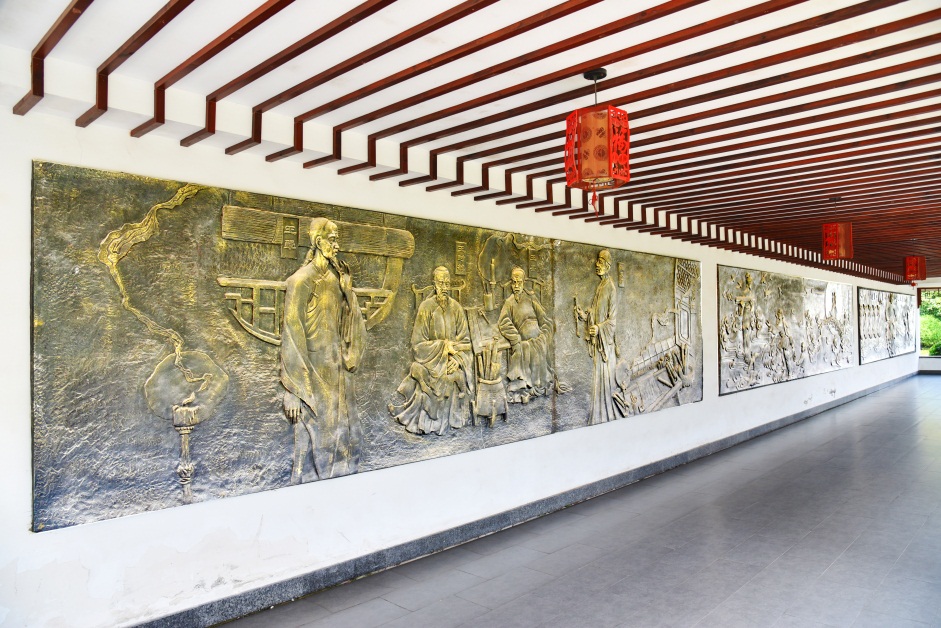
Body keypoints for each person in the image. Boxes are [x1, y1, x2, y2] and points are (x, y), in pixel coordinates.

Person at [280, 218, 366, 483]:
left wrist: (348, 293)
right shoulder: (300, 281)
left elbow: (352, 322)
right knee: (314, 436)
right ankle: (305, 483)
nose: (337, 245)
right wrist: (293, 390)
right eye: (333, 239)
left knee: (346, 435)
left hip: (337, 371)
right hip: (312, 373)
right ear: (319, 242)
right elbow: (291, 334)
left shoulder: (336, 280)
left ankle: (340, 482)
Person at [390, 266, 474, 435]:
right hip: (432, 363)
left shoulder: (456, 308)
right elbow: (417, 345)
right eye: (441, 283)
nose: (444, 287)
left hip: (452, 363)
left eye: (447, 283)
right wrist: (443, 347)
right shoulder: (426, 307)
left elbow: (466, 342)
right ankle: (428, 415)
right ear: (434, 284)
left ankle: (441, 416)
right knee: (419, 371)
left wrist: (457, 360)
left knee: (454, 375)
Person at [575, 249, 620, 425]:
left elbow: (612, 321)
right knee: (597, 382)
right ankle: (597, 417)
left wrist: (599, 328)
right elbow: (595, 312)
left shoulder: (611, 288)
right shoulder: (601, 286)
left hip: (605, 347)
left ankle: (606, 417)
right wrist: (584, 316)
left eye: (600, 262)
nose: (596, 265)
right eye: (597, 262)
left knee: (605, 383)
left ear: (607, 266)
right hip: (599, 344)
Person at [498, 267, 553, 403]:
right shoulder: (509, 302)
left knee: (538, 347)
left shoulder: (531, 297)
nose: (516, 286)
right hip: (524, 338)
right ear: (511, 283)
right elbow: (503, 322)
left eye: (519, 282)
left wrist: (544, 333)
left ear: (523, 282)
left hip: (538, 337)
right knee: (525, 348)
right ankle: (525, 387)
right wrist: (515, 336)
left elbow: (543, 318)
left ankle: (539, 385)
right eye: (514, 282)